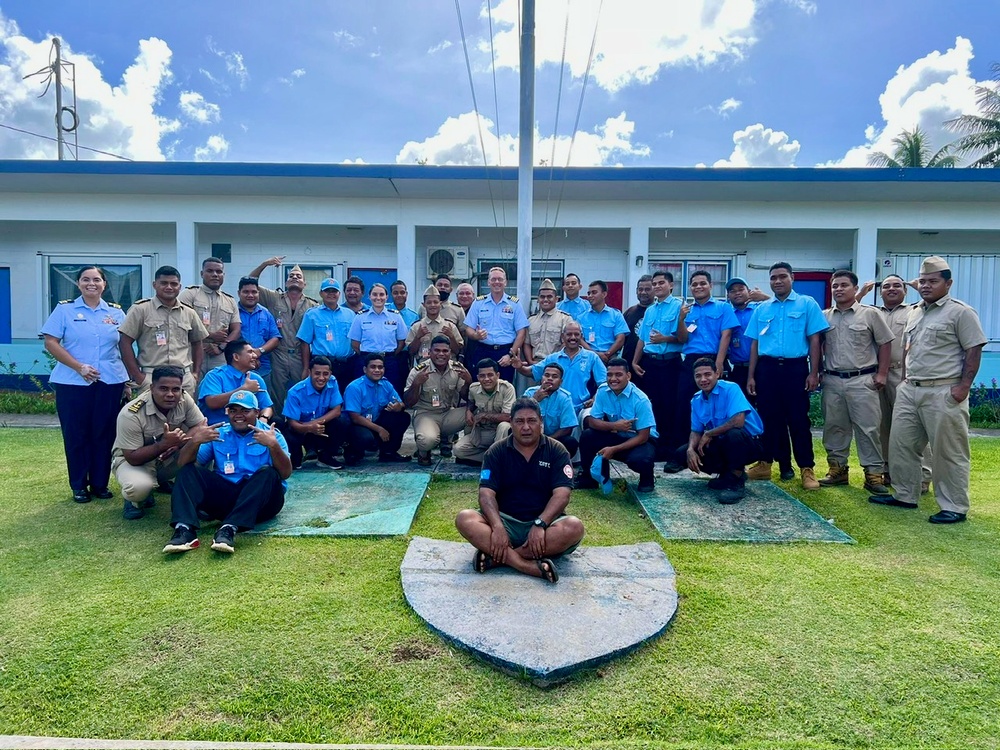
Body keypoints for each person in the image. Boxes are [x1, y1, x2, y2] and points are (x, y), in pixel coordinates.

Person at [878, 256, 987, 524]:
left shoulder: (961, 312)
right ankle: (905, 494)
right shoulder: (915, 311)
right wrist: (904, 379)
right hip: (910, 389)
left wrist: (962, 388)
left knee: (948, 451)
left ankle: (954, 506)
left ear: (948, 284)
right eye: (923, 281)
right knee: (901, 445)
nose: (926, 285)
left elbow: (973, 350)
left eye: (933, 281)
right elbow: (908, 349)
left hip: (943, 390)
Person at [455, 397, 585, 584]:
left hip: (545, 526)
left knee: (574, 527)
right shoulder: (496, 451)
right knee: (464, 518)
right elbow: (486, 494)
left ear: (541, 422)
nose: (526, 427)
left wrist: (540, 524)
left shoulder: (557, 450)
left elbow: (562, 494)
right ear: (511, 423)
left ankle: (499, 558)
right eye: (519, 421)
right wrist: (498, 526)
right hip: (504, 522)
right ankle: (527, 565)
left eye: (532, 421)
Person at [163, 390, 291, 555]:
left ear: (257, 413)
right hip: (227, 497)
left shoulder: (271, 435)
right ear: (227, 412)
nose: (239, 415)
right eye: (233, 410)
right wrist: (194, 441)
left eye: (245, 410)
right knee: (188, 471)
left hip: (262, 503)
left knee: (269, 473)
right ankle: (184, 530)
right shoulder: (218, 433)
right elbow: (183, 463)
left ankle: (228, 529)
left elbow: (285, 473)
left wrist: (273, 446)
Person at [41, 265, 128, 504]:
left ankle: (100, 484)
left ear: (104, 284)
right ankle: (79, 485)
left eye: (97, 279)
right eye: (86, 279)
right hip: (73, 382)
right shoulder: (65, 309)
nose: (92, 283)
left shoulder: (116, 313)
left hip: (109, 381)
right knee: (76, 434)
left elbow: (123, 348)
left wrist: (128, 381)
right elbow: (51, 342)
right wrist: (78, 366)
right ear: (78, 283)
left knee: (104, 433)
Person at [745, 262, 828, 490]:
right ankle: (764, 464)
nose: (777, 281)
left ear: (792, 278)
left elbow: (814, 340)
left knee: (799, 421)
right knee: (768, 419)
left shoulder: (806, 304)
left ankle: (807, 469)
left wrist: (814, 372)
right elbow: (754, 343)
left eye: (782, 277)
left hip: (795, 369)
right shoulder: (762, 309)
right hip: (767, 370)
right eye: (773, 278)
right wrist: (752, 375)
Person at [817, 270, 894, 494]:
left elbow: (886, 343)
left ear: (854, 288)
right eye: (835, 286)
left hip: (862, 380)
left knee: (868, 428)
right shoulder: (824, 316)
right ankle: (837, 470)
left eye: (843, 285)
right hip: (832, 380)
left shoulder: (869, 314)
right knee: (834, 428)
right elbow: (817, 345)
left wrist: (882, 374)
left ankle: (873, 475)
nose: (838, 289)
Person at [856, 274, 932, 491]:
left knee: (913, 426)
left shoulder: (915, 310)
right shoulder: (872, 312)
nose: (891, 289)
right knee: (882, 426)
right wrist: (861, 293)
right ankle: (888, 471)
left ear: (905, 290)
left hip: (902, 374)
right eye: (887, 286)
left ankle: (923, 475)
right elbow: (848, 312)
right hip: (875, 374)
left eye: (897, 286)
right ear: (880, 292)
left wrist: (920, 288)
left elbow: (933, 306)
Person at [112, 366, 204, 519]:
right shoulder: (131, 414)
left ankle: (194, 494)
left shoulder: (184, 398)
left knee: (204, 447)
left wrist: (178, 443)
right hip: (135, 461)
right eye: (163, 389)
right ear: (151, 388)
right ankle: (134, 500)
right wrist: (163, 445)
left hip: (168, 457)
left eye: (176, 389)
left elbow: (201, 426)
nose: (170, 394)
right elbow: (132, 457)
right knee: (138, 488)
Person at [669, 270, 739, 471]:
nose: (698, 287)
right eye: (694, 284)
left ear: (710, 286)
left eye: (702, 283)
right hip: (691, 361)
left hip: (714, 359)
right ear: (690, 287)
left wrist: (718, 365)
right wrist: (681, 320)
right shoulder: (686, 310)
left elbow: (726, 336)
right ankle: (680, 454)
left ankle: (716, 453)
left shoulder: (723, 308)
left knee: (718, 406)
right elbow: (682, 339)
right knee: (683, 406)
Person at [671, 358, 764, 504]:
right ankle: (726, 475)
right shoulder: (696, 400)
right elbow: (696, 431)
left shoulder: (731, 389)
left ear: (717, 373)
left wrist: (709, 433)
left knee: (733, 435)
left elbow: (738, 421)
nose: (703, 379)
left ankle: (736, 481)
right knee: (682, 454)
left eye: (707, 374)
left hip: (749, 443)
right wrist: (690, 449)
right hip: (722, 441)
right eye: (698, 376)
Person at [119, 265, 209, 396]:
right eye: (164, 283)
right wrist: (137, 376)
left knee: (183, 416)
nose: (169, 287)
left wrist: (195, 374)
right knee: (150, 415)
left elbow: (197, 342)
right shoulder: (140, 309)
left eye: (174, 284)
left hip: (183, 378)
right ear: (154, 285)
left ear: (180, 286)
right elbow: (124, 342)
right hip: (152, 377)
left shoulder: (189, 312)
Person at [246, 258, 319, 418]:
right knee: (276, 395)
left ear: (304, 284)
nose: (294, 278)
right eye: (291, 275)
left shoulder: (312, 306)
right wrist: (264, 264)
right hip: (278, 354)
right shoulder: (274, 298)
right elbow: (250, 282)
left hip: (301, 356)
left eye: (298, 276)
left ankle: (301, 427)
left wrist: (308, 366)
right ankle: (278, 427)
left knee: (302, 393)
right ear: (286, 282)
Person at [578, 358, 658, 493]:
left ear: (628, 376)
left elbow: (643, 437)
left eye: (618, 375)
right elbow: (592, 422)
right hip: (617, 434)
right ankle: (588, 479)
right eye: (609, 375)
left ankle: (647, 478)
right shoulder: (603, 391)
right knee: (588, 436)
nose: (613, 379)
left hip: (641, 440)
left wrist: (613, 449)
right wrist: (614, 425)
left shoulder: (641, 399)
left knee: (640, 460)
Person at [632, 270, 684, 458]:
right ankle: (655, 445)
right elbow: (642, 339)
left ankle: (670, 449)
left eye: (661, 283)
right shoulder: (650, 310)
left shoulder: (680, 307)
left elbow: (684, 338)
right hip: (651, 363)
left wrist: (664, 339)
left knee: (670, 405)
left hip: (670, 364)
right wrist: (635, 361)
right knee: (652, 405)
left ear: (671, 285)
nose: (657, 287)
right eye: (655, 284)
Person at [403, 335, 473, 466]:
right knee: (427, 440)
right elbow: (408, 402)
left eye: (445, 351)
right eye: (437, 350)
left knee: (475, 414)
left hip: (448, 413)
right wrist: (416, 384)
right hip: (426, 414)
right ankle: (423, 452)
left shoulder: (457, 369)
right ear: (429, 353)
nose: (441, 354)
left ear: (450, 353)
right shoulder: (418, 371)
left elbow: (466, 396)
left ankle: (468, 449)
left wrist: (468, 382)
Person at [513, 321, 606, 413]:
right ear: (562, 337)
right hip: (556, 411)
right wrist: (519, 367)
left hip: (582, 408)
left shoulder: (592, 357)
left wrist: (595, 399)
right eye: (569, 334)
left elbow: (604, 383)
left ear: (581, 336)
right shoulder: (553, 358)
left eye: (576, 334)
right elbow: (532, 372)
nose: (573, 337)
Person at [343, 353, 412, 464]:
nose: (377, 370)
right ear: (365, 369)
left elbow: (401, 403)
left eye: (380, 367)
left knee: (402, 417)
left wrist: (398, 407)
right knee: (365, 438)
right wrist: (380, 430)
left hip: (376, 421)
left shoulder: (386, 384)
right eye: (373, 367)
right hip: (358, 425)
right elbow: (355, 417)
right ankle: (352, 452)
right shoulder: (355, 387)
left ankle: (388, 453)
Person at [282, 355, 348, 470]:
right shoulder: (295, 392)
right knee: (289, 438)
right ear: (309, 372)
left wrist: (314, 424)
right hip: (300, 430)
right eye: (317, 373)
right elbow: (292, 424)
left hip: (320, 427)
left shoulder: (333, 382)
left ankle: (325, 457)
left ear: (330, 373)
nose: (321, 378)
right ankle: (297, 458)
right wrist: (309, 428)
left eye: (326, 374)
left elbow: (336, 411)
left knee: (342, 421)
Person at [464, 266, 529, 382]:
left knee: (505, 388)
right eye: (493, 279)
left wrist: (510, 355)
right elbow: (468, 329)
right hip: (483, 351)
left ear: (505, 282)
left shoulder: (514, 304)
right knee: (481, 387)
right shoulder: (478, 303)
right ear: (488, 282)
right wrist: (476, 335)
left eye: (500, 279)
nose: (497, 282)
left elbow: (521, 333)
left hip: (505, 352)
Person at [178, 257, 241, 374]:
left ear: (223, 274)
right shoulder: (189, 295)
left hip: (219, 355)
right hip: (192, 353)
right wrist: (211, 336)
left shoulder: (230, 300)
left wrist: (222, 346)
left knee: (217, 388)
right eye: (210, 271)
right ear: (202, 274)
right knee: (191, 388)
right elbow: (181, 324)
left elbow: (236, 330)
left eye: (219, 272)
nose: (215, 275)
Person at [296, 278, 357, 396]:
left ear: (339, 294)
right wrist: (305, 368)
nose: (331, 294)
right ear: (321, 293)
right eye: (327, 291)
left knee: (346, 396)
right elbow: (304, 343)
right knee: (322, 397)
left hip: (347, 365)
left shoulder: (350, 314)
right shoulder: (312, 314)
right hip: (322, 365)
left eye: (334, 291)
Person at [348, 282, 409, 393]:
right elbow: (355, 344)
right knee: (364, 392)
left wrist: (391, 355)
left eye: (381, 295)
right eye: (375, 294)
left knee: (391, 391)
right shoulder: (360, 317)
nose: (378, 298)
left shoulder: (395, 316)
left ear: (387, 297)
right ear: (369, 296)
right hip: (366, 360)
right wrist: (366, 356)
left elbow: (401, 341)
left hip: (389, 361)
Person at [453, 358, 517, 465]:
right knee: (458, 449)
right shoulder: (474, 388)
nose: (486, 379)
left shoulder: (507, 388)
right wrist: (468, 410)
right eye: (482, 376)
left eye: (490, 375)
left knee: (504, 426)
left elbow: (508, 416)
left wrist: (484, 415)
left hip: (501, 432)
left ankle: (497, 461)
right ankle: (495, 459)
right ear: (478, 377)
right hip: (484, 431)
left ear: (498, 375)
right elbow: (471, 401)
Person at [198, 339, 274, 425]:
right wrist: (244, 389)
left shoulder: (256, 378)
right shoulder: (215, 376)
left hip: (249, 429)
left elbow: (267, 407)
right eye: (250, 352)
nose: (255, 356)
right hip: (218, 429)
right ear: (236, 357)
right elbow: (211, 403)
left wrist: (263, 419)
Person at [519, 278, 572, 392]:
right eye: (542, 297)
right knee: (533, 399)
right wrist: (530, 361)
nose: (545, 299)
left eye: (549, 297)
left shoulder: (565, 319)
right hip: (535, 366)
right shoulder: (531, 320)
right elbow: (527, 344)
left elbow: (566, 344)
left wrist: (552, 361)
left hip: (556, 367)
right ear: (538, 299)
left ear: (556, 299)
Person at [725, 276, 768, 401]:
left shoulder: (760, 309)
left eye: (741, 289)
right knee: (741, 406)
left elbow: (779, 307)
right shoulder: (727, 314)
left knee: (766, 405)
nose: (737, 293)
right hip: (739, 368)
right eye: (732, 291)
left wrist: (765, 297)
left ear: (748, 291)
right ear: (728, 296)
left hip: (762, 366)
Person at [523, 363, 580, 457]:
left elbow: (567, 428)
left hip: (552, 439)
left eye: (554, 376)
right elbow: (519, 416)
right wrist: (534, 400)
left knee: (570, 442)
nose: (549, 379)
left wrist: (546, 440)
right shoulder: (530, 392)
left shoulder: (565, 398)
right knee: (512, 432)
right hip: (529, 435)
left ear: (560, 382)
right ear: (541, 378)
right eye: (546, 375)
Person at [235, 277, 281, 387]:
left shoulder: (266, 313)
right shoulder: (233, 312)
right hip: (237, 369)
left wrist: (259, 352)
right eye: (246, 292)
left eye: (254, 292)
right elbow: (230, 337)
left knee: (263, 402)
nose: (250, 295)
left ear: (258, 293)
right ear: (239, 293)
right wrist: (248, 357)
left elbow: (275, 338)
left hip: (262, 368)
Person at [405, 284, 463, 366]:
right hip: (424, 367)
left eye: (435, 302)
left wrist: (451, 337)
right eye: (429, 302)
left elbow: (457, 351)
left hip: (447, 367)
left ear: (440, 304)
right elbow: (411, 352)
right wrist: (418, 337)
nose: (432, 305)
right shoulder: (417, 326)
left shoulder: (450, 325)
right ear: (424, 305)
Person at [578, 280, 629, 363]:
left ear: (604, 294)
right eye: (589, 293)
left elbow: (620, 339)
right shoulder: (581, 317)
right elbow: (579, 339)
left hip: (611, 358)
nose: (590, 296)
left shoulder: (616, 315)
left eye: (594, 292)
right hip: (588, 358)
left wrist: (607, 354)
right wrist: (595, 354)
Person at [622, 274, 654, 385]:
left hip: (651, 365)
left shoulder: (658, 312)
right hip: (629, 365)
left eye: (647, 289)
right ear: (636, 291)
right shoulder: (629, 312)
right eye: (640, 289)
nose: (643, 292)